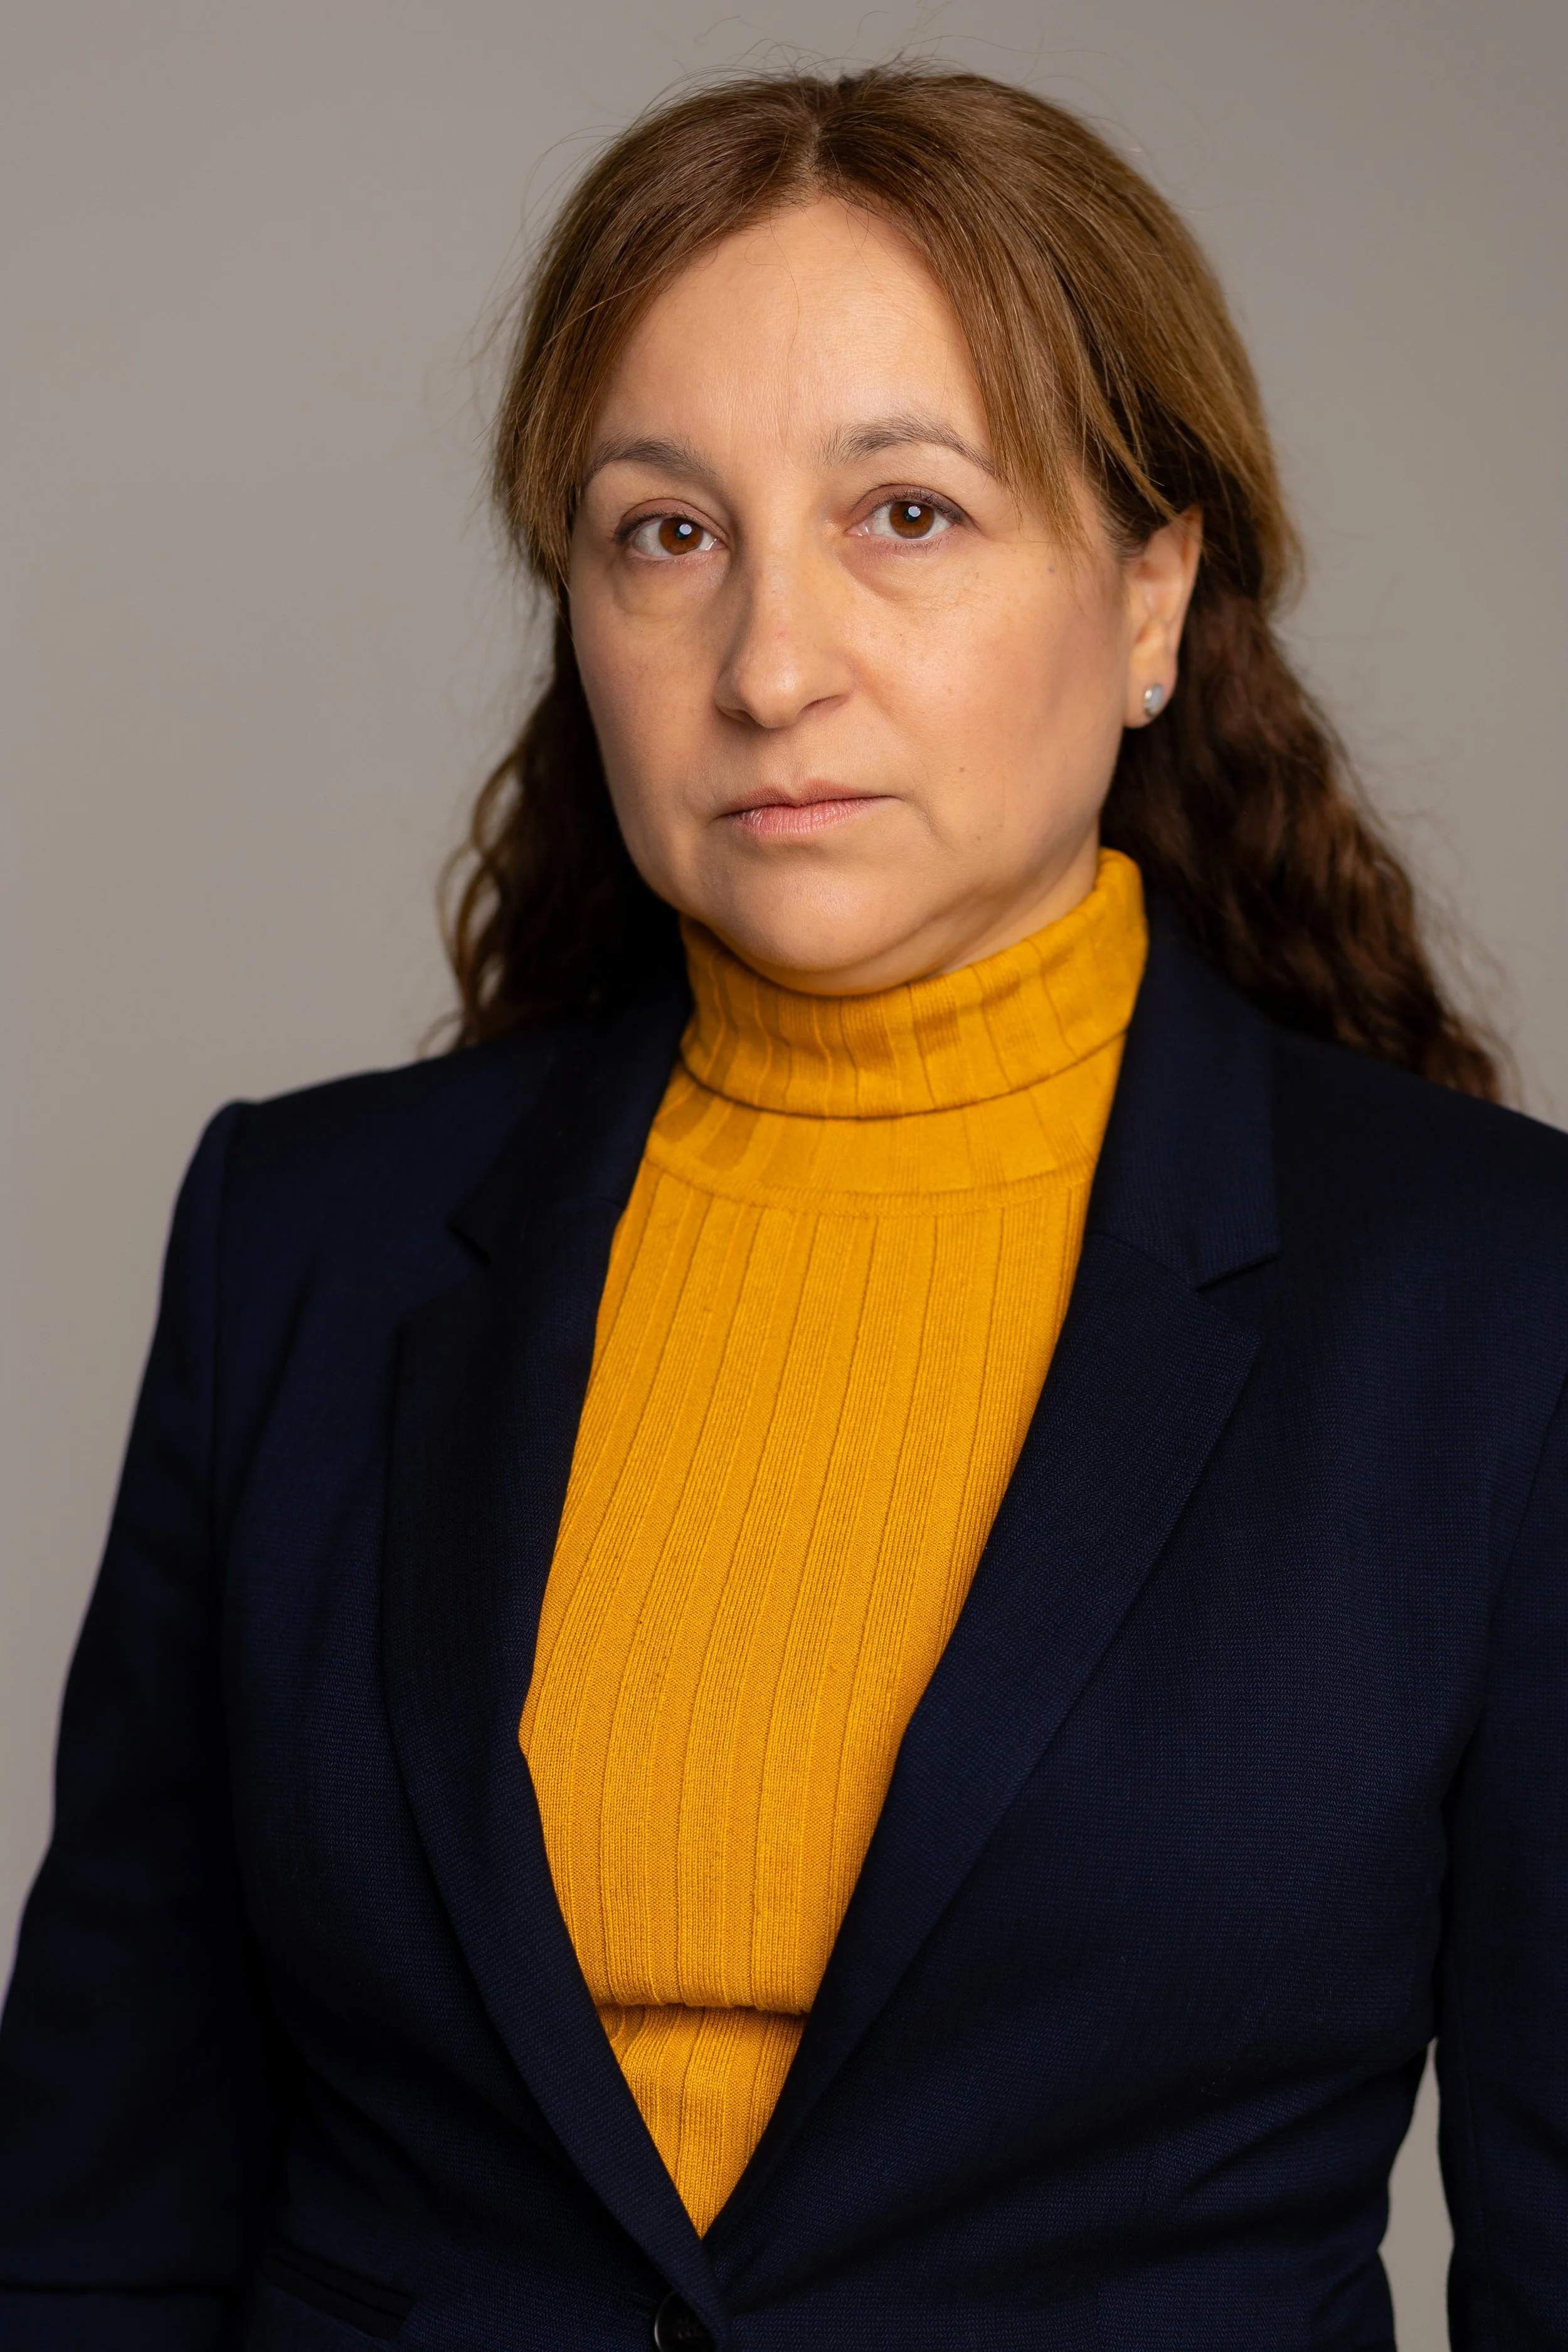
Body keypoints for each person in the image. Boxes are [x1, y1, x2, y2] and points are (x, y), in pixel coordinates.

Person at [1, 63, 1564, 2352]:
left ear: (1151, 590)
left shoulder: (1493, 1305)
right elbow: (91, 2216)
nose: (764, 664)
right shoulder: (301, 1241)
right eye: (666, 532)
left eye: (906, 515)